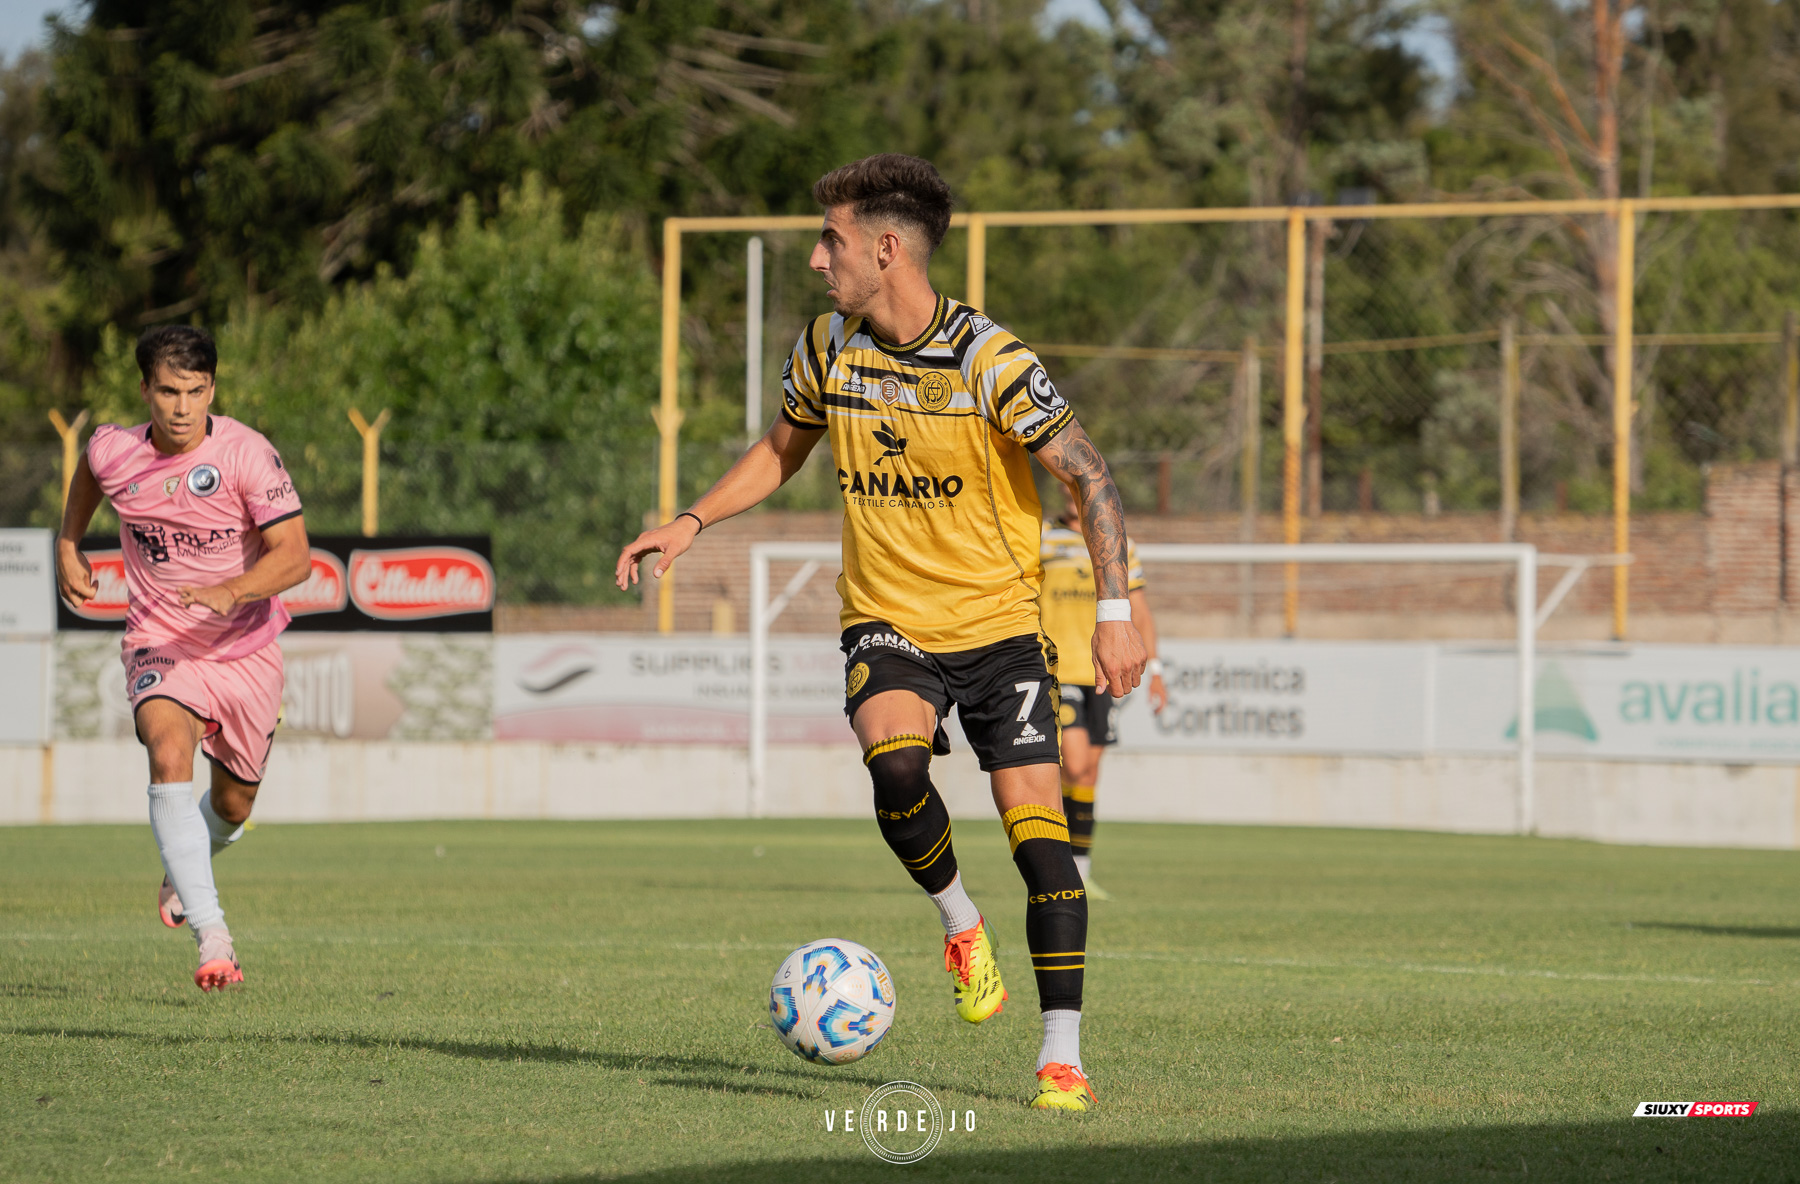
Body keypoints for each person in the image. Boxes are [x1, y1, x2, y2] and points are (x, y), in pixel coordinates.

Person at [616, 155, 1146, 1110]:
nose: (818, 260)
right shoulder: (828, 346)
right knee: (896, 767)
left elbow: (1090, 475)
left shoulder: (989, 360)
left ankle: (1060, 1055)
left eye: (833, 241)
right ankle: (960, 923)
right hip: (888, 620)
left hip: (1001, 631)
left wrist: (1115, 613)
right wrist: (690, 520)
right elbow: (781, 449)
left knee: (1041, 841)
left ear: (887, 249)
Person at [55, 325, 309, 992]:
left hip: (245, 650)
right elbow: (89, 473)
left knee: (234, 804)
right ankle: (214, 937)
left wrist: (233, 590)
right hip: (160, 642)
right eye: (168, 391)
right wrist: (68, 543)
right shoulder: (116, 450)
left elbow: (295, 556)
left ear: (212, 390)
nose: (181, 408)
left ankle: (184, 862)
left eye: (195, 392)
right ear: (145, 389)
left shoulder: (247, 454)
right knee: (169, 752)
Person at [1039, 498, 1166, 900]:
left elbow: (1139, 612)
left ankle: (1080, 871)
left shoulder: (1118, 542)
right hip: (1058, 670)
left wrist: (1156, 671)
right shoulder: (1040, 536)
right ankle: (1056, 865)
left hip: (1101, 669)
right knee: (1075, 764)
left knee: (1089, 773)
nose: (1071, 490)